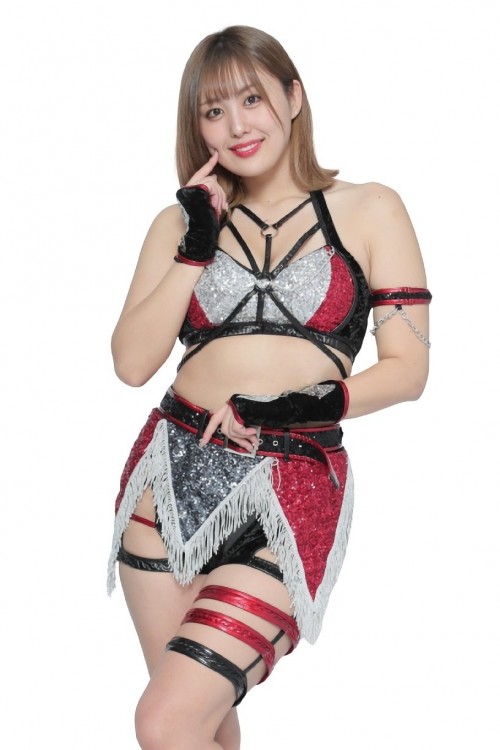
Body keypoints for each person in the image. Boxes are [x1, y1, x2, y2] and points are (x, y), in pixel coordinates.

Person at [107, 24, 431, 750]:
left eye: (252, 99)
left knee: (163, 722)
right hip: (166, 485)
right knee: (201, 725)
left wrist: (293, 406)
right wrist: (196, 244)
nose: (236, 125)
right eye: (213, 110)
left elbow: (408, 371)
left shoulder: (371, 208)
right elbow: (131, 363)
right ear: (197, 126)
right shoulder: (177, 223)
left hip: (292, 485)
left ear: (293, 96)